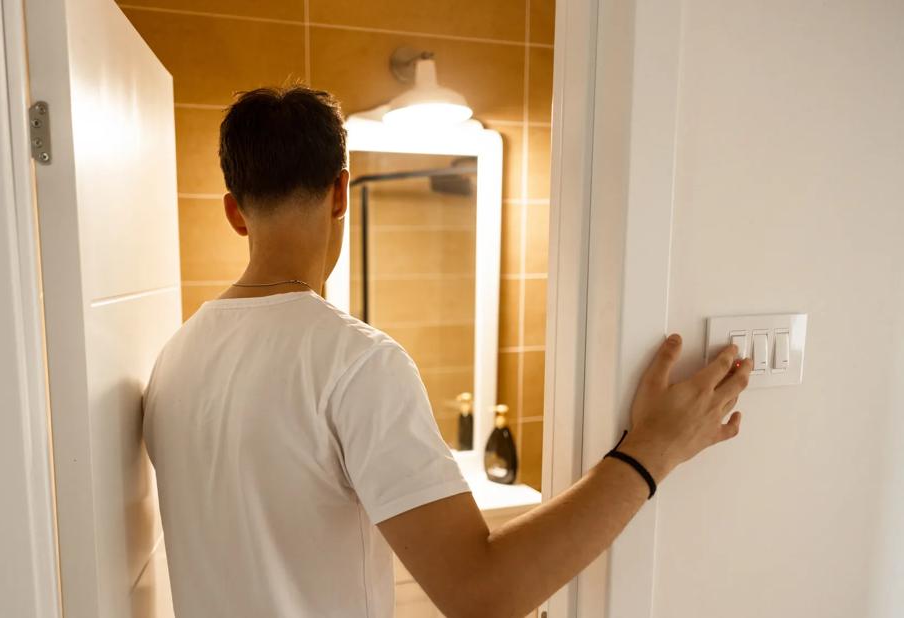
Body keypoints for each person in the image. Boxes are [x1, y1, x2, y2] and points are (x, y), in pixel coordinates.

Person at [142, 85, 751, 617]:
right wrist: (653, 450)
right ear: (340, 193)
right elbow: (481, 595)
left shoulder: (173, 361)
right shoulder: (355, 362)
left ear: (233, 212)